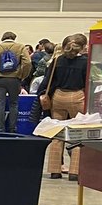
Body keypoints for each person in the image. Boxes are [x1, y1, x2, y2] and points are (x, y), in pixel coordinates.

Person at [43, 33, 89, 180]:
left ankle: (55, 170)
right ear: (82, 47)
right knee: (78, 132)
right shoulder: (85, 62)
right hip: (77, 97)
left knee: (58, 132)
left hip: (58, 97)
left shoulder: (57, 60)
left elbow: (49, 80)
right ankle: (75, 171)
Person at [0, 31, 31, 133]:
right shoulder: (20, 47)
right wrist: (23, 75)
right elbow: (27, 62)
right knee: (14, 103)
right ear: (14, 38)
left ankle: (0, 129)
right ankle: (12, 128)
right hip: (15, 79)